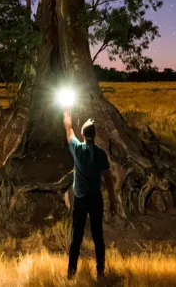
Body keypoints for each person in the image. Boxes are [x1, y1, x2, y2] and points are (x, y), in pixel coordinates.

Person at [64, 106, 117, 280]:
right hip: (95, 199)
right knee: (98, 236)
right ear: (95, 136)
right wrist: (113, 201)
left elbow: (68, 128)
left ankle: (71, 274)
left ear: (83, 134)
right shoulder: (101, 155)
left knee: (76, 237)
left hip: (80, 200)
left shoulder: (77, 149)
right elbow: (108, 180)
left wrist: (67, 110)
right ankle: (100, 271)